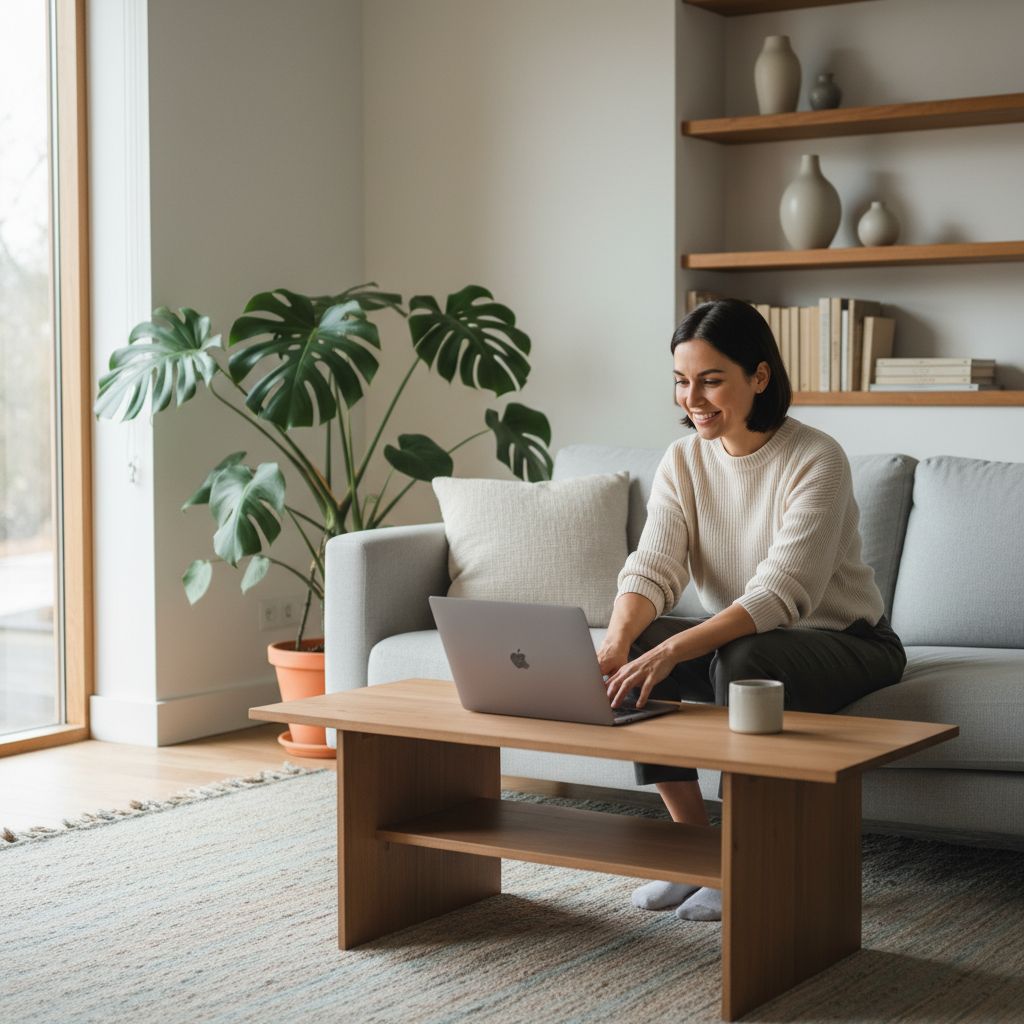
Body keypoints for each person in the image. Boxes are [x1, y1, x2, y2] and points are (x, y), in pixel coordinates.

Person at [597, 298, 907, 923]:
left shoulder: (816, 457)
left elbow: (780, 593)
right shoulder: (682, 460)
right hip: (756, 637)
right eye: (683, 382)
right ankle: (695, 847)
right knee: (638, 650)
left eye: (712, 380)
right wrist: (616, 642)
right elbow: (653, 565)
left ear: (759, 377)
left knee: (745, 658)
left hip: (849, 641)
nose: (693, 398)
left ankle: (743, 857)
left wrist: (676, 648)